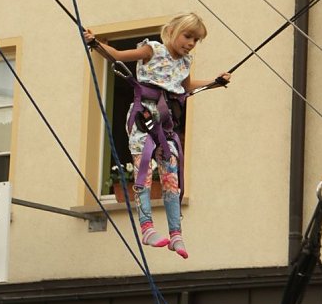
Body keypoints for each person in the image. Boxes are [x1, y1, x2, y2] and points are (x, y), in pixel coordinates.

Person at [84, 13, 231, 260]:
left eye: (196, 40)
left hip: (165, 123)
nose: (191, 43)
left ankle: (176, 233)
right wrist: (96, 43)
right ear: (172, 31)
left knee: (171, 176)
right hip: (144, 116)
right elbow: (118, 56)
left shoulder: (185, 62)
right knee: (143, 169)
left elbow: (186, 87)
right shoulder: (152, 49)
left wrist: (215, 83)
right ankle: (147, 227)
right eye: (187, 36)